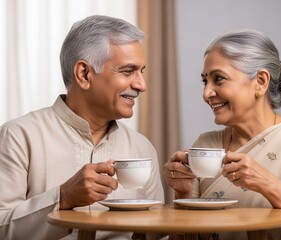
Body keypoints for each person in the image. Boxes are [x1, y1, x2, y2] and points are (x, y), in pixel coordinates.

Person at [164, 29, 281, 240]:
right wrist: (183, 195)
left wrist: (267, 184)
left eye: (218, 79)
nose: (206, 93)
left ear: (260, 81)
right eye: (205, 81)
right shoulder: (206, 145)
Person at [0, 15, 164, 240]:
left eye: (141, 72)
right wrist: (63, 198)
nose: (141, 85)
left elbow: (156, 235)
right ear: (84, 74)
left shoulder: (142, 148)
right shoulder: (18, 136)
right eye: (128, 71)